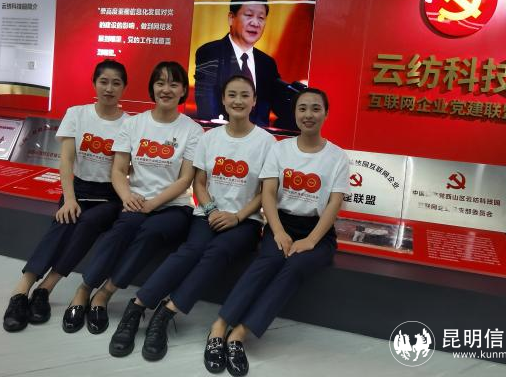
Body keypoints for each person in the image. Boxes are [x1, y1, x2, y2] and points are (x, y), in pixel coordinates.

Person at [108, 75, 276, 361]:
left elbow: (265, 192)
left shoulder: (267, 142)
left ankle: (166, 312)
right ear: (223, 99)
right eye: (232, 94)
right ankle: (136, 307)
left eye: (244, 95)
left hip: (245, 221)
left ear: (254, 101)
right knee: (191, 250)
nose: (238, 101)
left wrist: (237, 217)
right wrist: (211, 210)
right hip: (207, 215)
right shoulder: (209, 138)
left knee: (218, 251)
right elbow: (199, 183)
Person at [205, 88, 350, 376]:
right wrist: (279, 231)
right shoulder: (280, 149)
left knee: (295, 266)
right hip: (280, 224)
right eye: (302, 108)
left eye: (316, 108)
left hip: (318, 232)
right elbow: (268, 194)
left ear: (326, 113)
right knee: (269, 259)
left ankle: (238, 335)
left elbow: (334, 204)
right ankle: (219, 327)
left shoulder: (337, 157)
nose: (309, 115)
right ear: (294, 113)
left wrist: (310, 240)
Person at [62, 61, 203, 335]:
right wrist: (127, 196)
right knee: (122, 229)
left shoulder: (192, 130)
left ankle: (105, 293)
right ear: (152, 87)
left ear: (183, 90)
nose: (166, 89)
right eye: (160, 83)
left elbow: (185, 179)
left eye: (173, 84)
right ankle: (84, 290)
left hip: (174, 207)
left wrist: (152, 204)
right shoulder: (134, 124)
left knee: (151, 232)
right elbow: (118, 170)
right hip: (135, 200)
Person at [2, 59, 129, 332]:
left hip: (109, 196)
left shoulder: (129, 124)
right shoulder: (77, 114)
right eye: (104, 82)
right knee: (64, 220)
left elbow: (124, 169)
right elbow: (67, 160)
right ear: (94, 83)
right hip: (78, 189)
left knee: (87, 222)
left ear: (124, 88)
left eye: (116, 83)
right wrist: (69, 199)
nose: (109, 88)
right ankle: (22, 291)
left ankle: (46, 288)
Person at [195, 0, 296, 129]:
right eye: (249, 15)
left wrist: (300, 98)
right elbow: (207, 107)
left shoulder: (267, 63)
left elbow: (282, 109)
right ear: (231, 18)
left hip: (258, 138)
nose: (255, 23)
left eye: (261, 18)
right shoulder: (211, 52)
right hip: (221, 136)